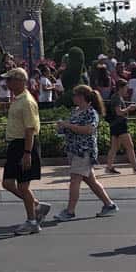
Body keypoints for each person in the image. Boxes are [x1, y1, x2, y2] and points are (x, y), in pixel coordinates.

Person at [52, 87, 117, 221]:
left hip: (83, 151)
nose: (73, 97)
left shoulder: (91, 112)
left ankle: (70, 211)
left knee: (75, 180)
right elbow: (70, 128)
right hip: (73, 150)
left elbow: (89, 130)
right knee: (91, 181)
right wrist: (61, 127)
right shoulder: (75, 111)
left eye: (75, 95)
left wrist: (68, 126)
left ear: (82, 97)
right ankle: (109, 205)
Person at [0, 67, 51, 233]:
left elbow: (30, 129)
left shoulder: (27, 101)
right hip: (16, 144)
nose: (6, 83)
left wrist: (27, 153)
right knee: (8, 183)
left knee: (22, 186)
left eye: (9, 79)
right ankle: (35, 205)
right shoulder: (18, 99)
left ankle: (32, 221)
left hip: (24, 145)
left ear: (19, 81)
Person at [104, 82, 136, 175]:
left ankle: (109, 167)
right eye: (126, 88)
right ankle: (135, 167)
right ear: (121, 87)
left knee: (114, 147)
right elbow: (119, 112)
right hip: (120, 124)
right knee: (129, 146)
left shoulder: (115, 97)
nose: (127, 90)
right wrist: (129, 108)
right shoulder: (117, 98)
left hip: (115, 124)